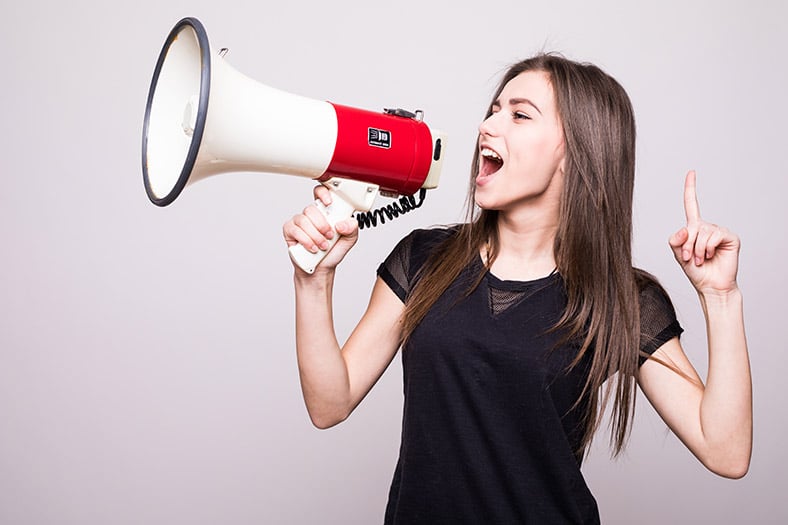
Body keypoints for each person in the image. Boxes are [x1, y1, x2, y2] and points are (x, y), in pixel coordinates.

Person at [282, 53, 752, 524]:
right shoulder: (424, 258)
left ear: (576, 152)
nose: (488, 125)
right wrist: (313, 280)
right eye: (494, 109)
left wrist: (721, 298)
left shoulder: (620, 300)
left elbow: (725, 452)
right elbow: (330, 403)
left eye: (520, 114)